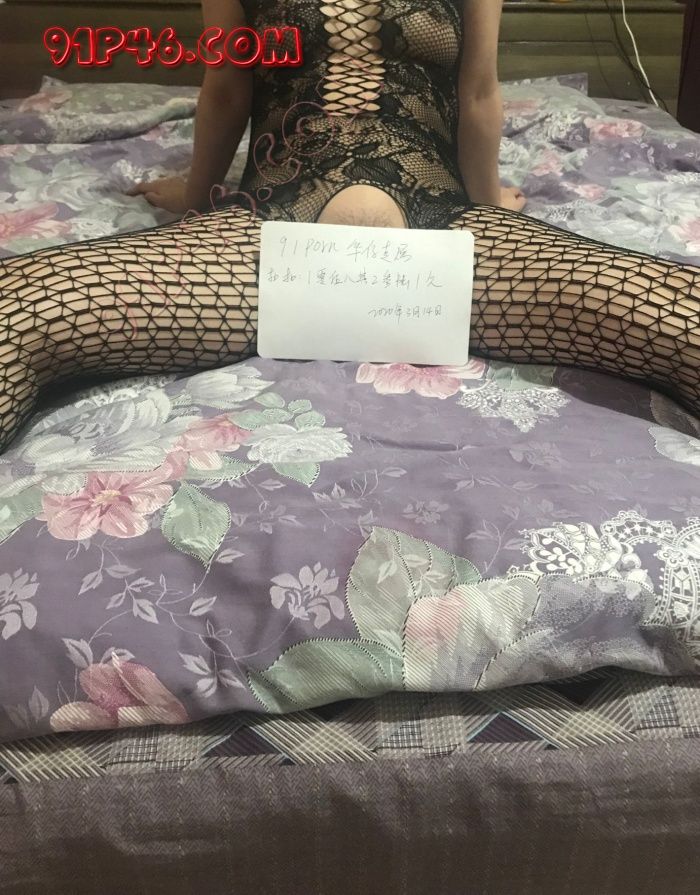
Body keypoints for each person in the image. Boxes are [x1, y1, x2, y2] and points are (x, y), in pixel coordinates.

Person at [0, 0, 697, 455]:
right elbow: (228, 86)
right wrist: (198, 198)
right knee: (15, 307)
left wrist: (488, 209)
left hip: (441, 236)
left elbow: (478, 92)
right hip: (272, 231)